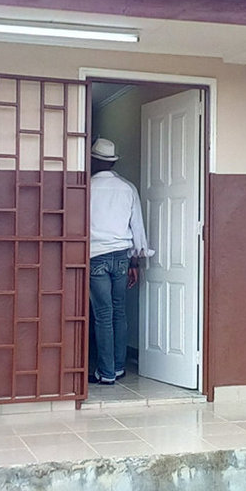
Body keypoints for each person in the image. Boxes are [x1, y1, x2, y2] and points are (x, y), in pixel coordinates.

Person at [87, 137, 153, 385]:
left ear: (93, 160)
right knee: (119, 313)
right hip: (122, 258)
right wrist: (136, 263)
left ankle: (105, 373)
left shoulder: (86, 188)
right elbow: (137, 229)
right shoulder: (128, 188)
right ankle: (117, 367)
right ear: (113, 162)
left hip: (96, 257)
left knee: (103, 315)